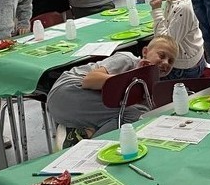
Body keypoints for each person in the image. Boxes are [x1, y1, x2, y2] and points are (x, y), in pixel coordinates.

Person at [47, 35, 178, 147]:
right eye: (161, 55)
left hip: (70, 110)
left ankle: (82, 133)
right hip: (67, 90)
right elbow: (89, 80)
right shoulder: (128, 59)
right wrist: (132, 78)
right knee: (131, 115)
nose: (166, 62)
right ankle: (88, 148)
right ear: (145, 52)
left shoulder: (151, 84)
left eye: (170, 61)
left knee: (140, 114)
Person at [135, 0, 205, 80]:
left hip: (184, 69)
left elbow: (165, 44)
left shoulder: (183, 7)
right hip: (189, 61)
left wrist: (156, 11)